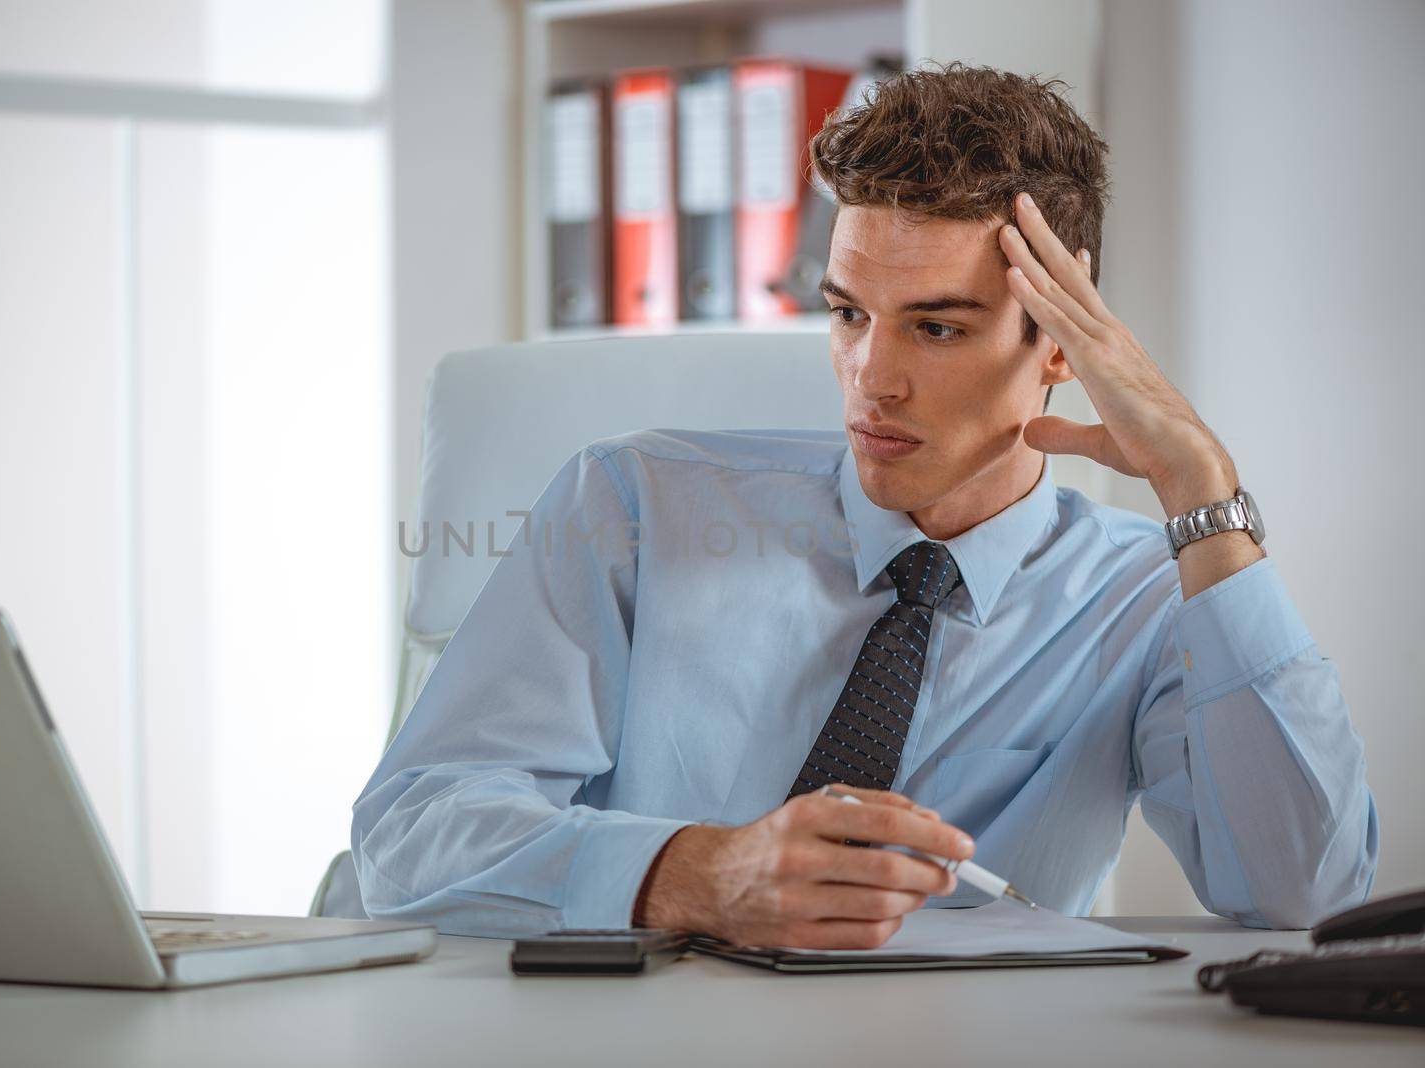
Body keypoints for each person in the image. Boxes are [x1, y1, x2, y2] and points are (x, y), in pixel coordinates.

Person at [352, 65, 1377, 947]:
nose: (868, 380)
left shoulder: (1147, 597)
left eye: (934, 329)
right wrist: (698, 875)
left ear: (1064, 339)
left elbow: (1303, 895)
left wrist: (1202, 493)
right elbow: (409, 837)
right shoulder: (632, 506)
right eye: (847, 314)